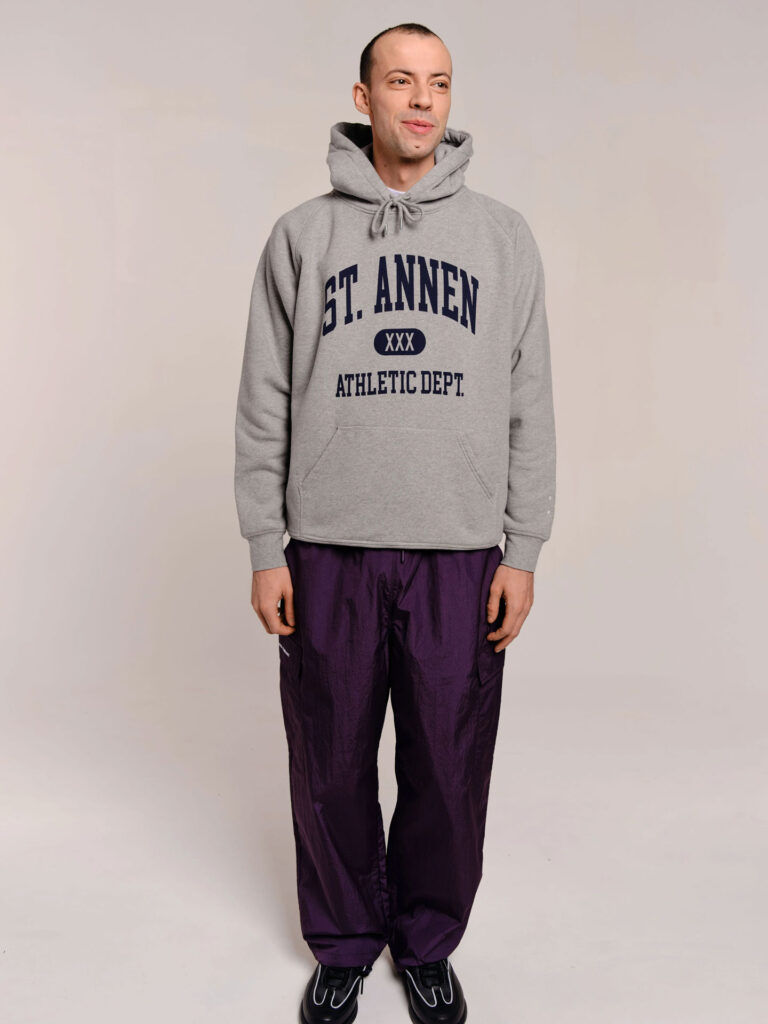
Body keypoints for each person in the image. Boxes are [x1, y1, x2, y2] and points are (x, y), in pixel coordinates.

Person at [234, 21, 556, 1024]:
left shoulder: (502, 237)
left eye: (439, 84)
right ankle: (341, 942)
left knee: (448, 769)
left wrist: (524, 548)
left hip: (460, 550)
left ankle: (426, 942)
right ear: (363, 96)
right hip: (328, 547)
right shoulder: (302, 236)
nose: (422, 102)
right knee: (328, 761)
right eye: (402, 81)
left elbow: (530, 400)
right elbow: (265, 399)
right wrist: (265, 545)